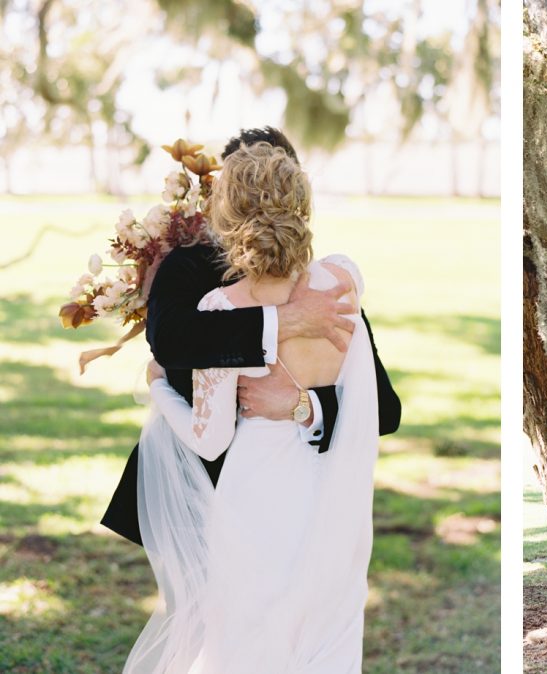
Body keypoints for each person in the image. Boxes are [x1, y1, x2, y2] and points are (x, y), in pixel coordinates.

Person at [124, 140, 378, 672]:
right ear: (302, 208)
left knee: (245, 642)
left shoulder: (220, 306)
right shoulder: (342, 283)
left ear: (228, 217)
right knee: (324, 639)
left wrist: (158, 388)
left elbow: (210, 439)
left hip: (252, 498)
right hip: (330, 494)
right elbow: (367, 403)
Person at [100, 126, 400, 546]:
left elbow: (383, 408)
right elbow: (171, 341)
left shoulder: (325, 288)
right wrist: (285, 320)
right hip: (193, 494)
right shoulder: (188, 266)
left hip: (295, 502)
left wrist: (301, 406)